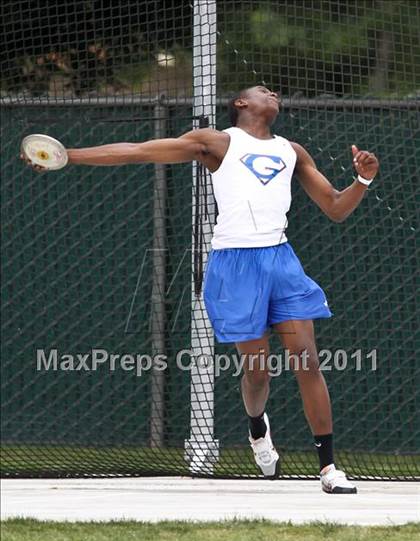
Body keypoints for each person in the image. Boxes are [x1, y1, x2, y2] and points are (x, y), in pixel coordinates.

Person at [22, 85, 379, 493]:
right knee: (257, 373)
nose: (273, 93)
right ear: (242, 103)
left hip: (281, 261)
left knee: (306, 360)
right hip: (234, 265)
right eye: (263, 91)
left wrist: (362, 179)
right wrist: (69, 156)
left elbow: (335, 207)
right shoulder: (216, 142)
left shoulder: (292, 151)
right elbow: (140, 151)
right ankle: (256, 426)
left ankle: (328, 468)